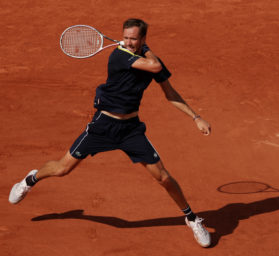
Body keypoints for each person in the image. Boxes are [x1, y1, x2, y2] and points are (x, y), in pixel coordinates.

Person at [9, 18, 212, 247]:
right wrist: (145, 49)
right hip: (103, 125)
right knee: (62, 168)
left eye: (133, 38)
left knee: (163, 177)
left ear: (143, 38)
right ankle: (30, 179)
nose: (127, 41)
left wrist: (195, 117)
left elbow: (170, 93)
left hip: (131, 130)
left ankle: (192, 218)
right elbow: (155, 67)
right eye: (126, 37)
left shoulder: (146, 57)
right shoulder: (119, 55)